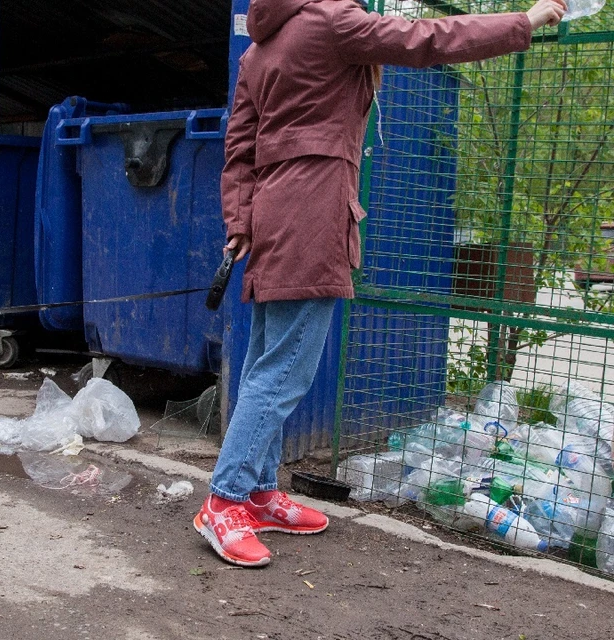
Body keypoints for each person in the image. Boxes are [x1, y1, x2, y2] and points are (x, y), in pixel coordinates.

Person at [194, 0, 569, 567]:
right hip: (314, 212)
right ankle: (224, 502)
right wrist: (527, 19)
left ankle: (259, 491)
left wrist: (240, 222)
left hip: (274, 217)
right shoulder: (329, 22)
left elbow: (238, 147)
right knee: (284, 367)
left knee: (265, 363)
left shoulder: (257, 48)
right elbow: (430, 38)